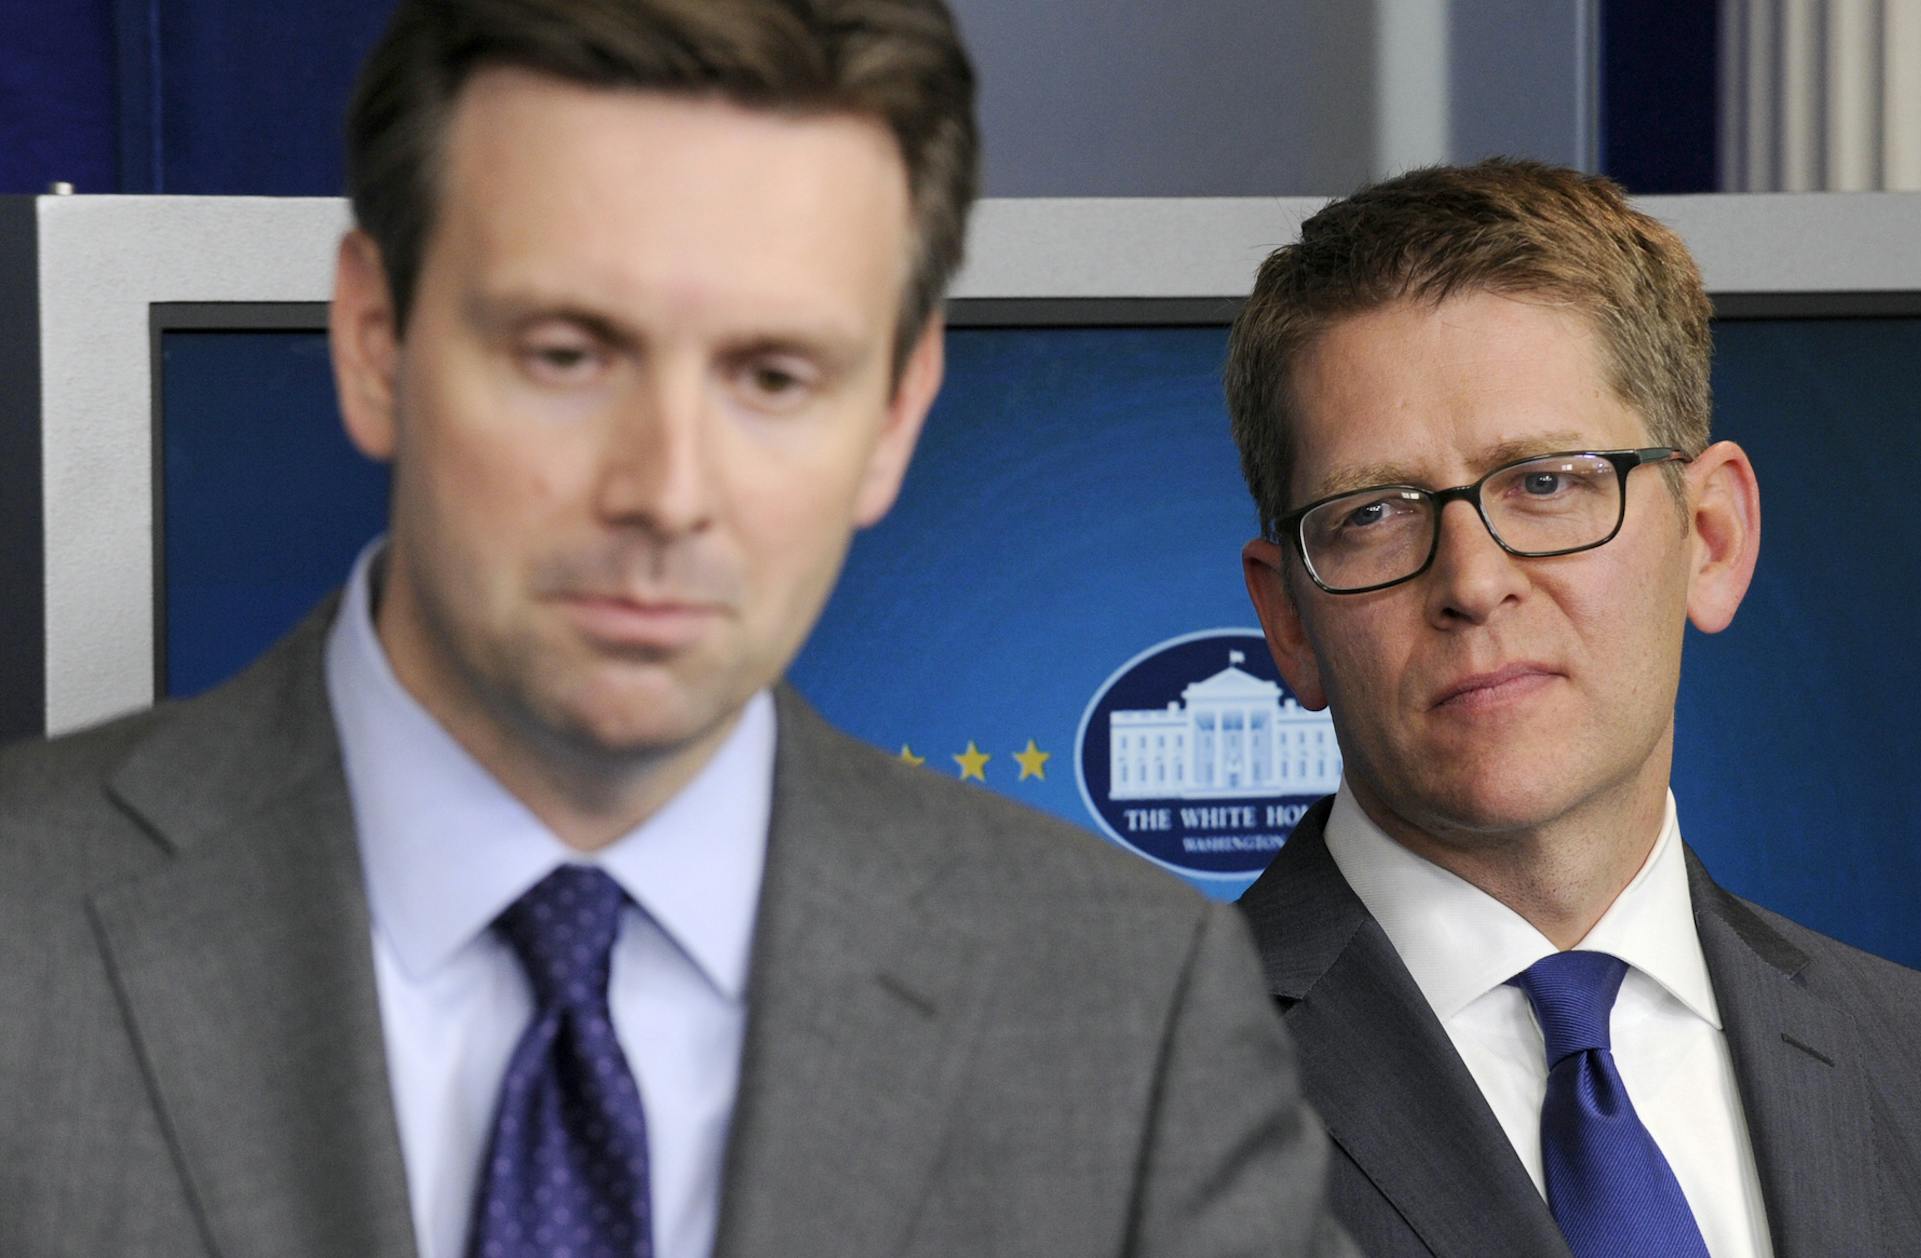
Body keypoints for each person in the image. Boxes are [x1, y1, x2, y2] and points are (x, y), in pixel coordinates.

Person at [0, 3, 1352, 1255]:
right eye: (567, 354)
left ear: (895, 412)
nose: (666, 490)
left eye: (773, 375)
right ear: (372, 339)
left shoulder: (1128, 1014)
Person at [1224, 159, 1921, 1258]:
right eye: (1373, 513)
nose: (1472, 581)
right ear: (1289, 621)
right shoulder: (1110, 1092)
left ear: (1711, 538)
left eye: (1547, 482)